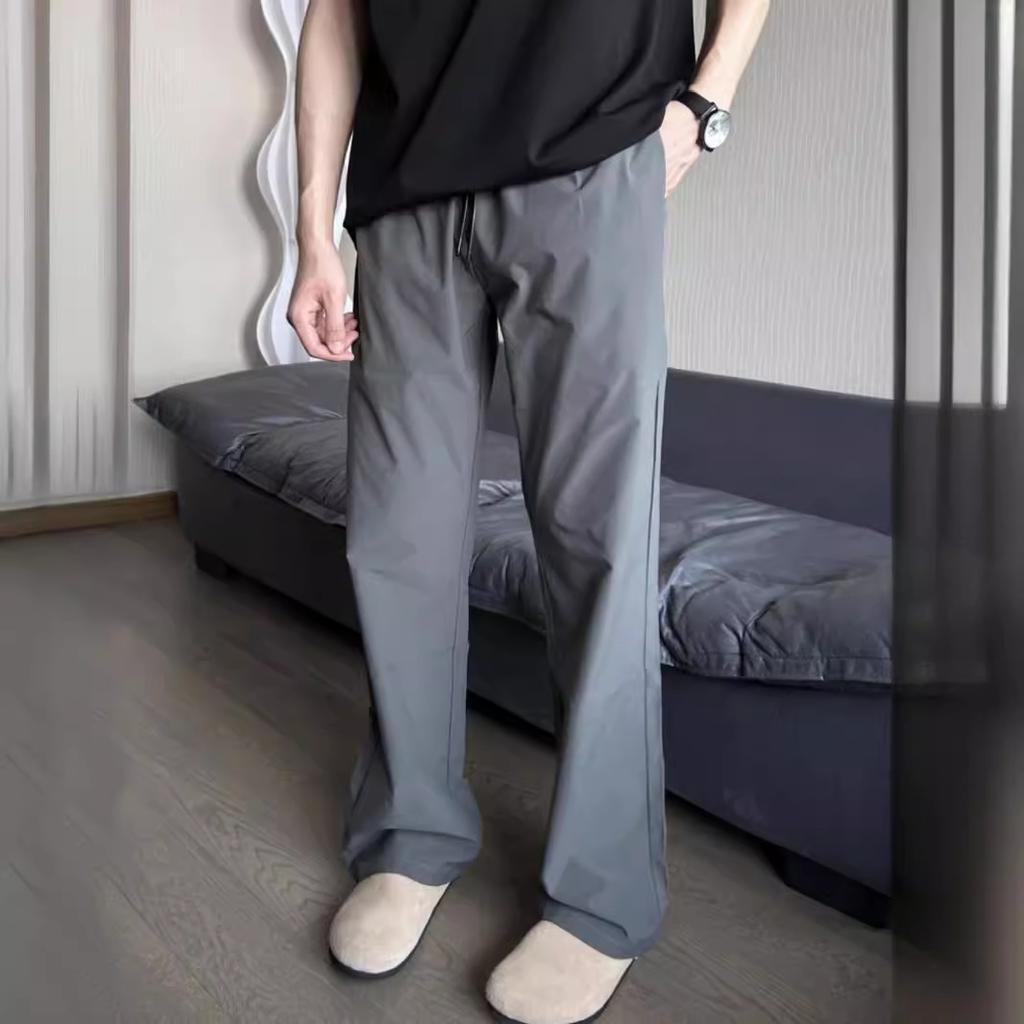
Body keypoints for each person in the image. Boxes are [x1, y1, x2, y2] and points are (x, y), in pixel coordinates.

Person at [287, 2, 769, 1020]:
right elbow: (336, 13)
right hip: (406, 193)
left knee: (597, 543)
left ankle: (600, 895)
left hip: (588, 160)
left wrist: (705, 105)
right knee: (397, 538)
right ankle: (409, 836)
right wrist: (313, 229)